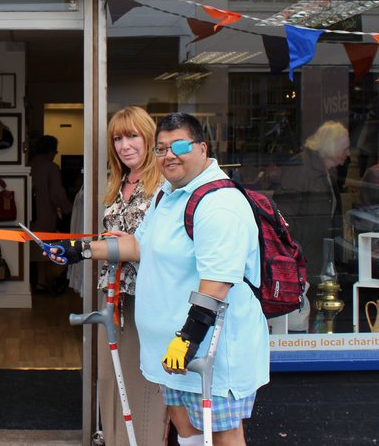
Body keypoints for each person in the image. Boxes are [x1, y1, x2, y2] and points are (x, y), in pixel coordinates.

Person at [50, 113, 268, 446]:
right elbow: (138, 245)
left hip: (207, 352)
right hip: (169, 353)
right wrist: (80, 250)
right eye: (162, 148)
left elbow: (218, 281)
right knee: (188, 432)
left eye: (180, 145)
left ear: (202, 148)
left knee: (223, 435)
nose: (170, 154)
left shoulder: (219, 202)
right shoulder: (167, 195)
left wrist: (188, 337)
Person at [97, 106, 168, 445]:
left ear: (149, 138)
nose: (124, 145)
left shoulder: (165, 187)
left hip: (150, 299)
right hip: (113, 298)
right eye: (117, 138)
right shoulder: (116, 184)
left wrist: (88, 250)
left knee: (145, 386)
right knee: (111, 380)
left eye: (132, 136)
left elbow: (160, 247)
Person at [273, 120, 350, 328]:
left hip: (318, 258)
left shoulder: (326, 172)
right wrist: (294, 257)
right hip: (304, 259)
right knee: (305, 315)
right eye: (345, 147)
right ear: (331, 147)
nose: (348, 153)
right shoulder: (301, 168)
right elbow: (285, 218)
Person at [29, 134, 74, 293]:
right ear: (50, 150)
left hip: (30, 214)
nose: (56, 153)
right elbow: (57, 194)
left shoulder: (29, 165)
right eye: (55, 150)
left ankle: (38, 280)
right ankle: (43, 281)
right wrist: (69, 208)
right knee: (44, 246)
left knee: (33, 246)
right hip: (45, 213)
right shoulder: (51, 167)